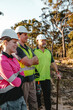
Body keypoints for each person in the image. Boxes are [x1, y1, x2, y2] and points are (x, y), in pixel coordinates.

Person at [0, 29, 27, 110]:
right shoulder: (2, 61)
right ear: (5, 43)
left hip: (19, 96)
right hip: (9, 100)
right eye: (14, 42)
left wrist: (20, 77)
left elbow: (22, 73)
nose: (16, 45)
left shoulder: (13, 58)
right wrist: (20, 78)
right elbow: (16, 83)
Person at [34, 34, 61, 110]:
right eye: (42, 40)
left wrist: (57, 72)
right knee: (37, 97)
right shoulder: (33, 52)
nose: (44, 42)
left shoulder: (48, 52)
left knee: (47, 97)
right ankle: (38, 108)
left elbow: (53, 62)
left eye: (45, 40)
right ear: (37, 41)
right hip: (37, 79)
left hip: (46, 78)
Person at [15, 26, 39, 110]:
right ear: (18, 35)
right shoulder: (16, 48)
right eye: (25, 34)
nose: (27, 36)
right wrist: (31, 60)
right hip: (23, 80)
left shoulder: (29, 48)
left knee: (34, 102)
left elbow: (37, 60)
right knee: (23, 103)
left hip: (32, 79)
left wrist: (30, 60)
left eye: (27, 34)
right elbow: (28, 62)